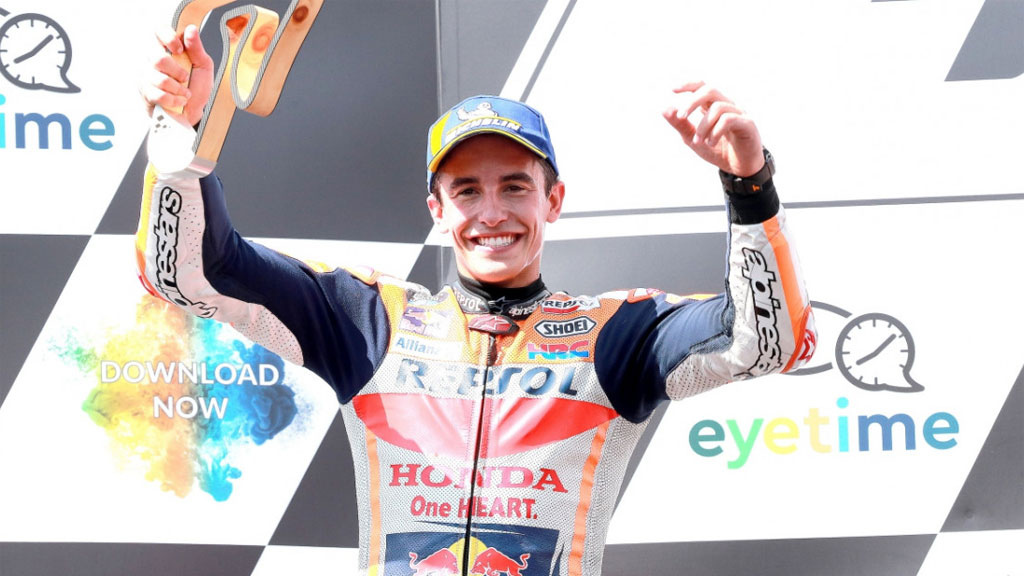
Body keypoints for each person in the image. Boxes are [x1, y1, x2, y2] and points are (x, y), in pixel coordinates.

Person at [139, 24, 815, 576]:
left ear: (553, 200)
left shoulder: (619, 335)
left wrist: (748, 184)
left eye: (515, 186)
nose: (492, 213)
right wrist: (180, 139)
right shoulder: (367, 321)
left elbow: (767, 341)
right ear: (438, 209)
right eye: (467, 190)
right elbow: (192, 272)